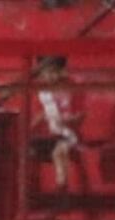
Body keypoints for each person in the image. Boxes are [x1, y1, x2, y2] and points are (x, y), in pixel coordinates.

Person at [31, 56, 84, 210]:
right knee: (24, 152)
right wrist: (41, 118)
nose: (49, 77)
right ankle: (28, 197)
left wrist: (68, 120)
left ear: (62, 71)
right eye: (45, 73)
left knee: (59, 151)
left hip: (68, 135)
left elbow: (80, 117)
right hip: (44, 136)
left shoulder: (74, 88)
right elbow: (32, 122)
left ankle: (62, 194)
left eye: (53, 72)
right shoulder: (40, 92)